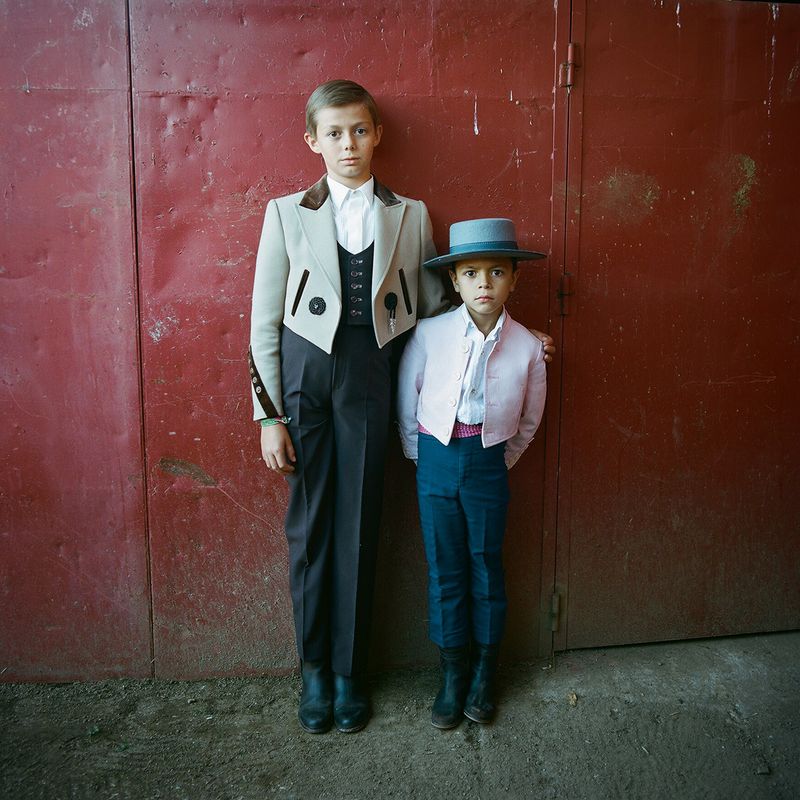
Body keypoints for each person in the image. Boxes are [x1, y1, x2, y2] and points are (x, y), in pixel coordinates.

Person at [249, 80, 554, 735]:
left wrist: (515, 338)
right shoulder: (284, 213)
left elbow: (440, 307)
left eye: (359, 130)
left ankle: (350, 675)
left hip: (372, 375)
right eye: (333, 133)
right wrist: (269, 415)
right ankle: (315, 673)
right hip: (304, 378)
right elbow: (262, 321)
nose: (348, 145)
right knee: (310, 530)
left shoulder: (410, 214)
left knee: (359, 526)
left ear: (376, 135)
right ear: (313, 141)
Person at [397, 218, 548, 729]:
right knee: (445, 567)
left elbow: (529, 420)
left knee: (486, 563)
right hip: (435, 460)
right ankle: (452, 672)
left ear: (513, 280)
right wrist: (422, 456)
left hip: (488, 464)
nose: (484, 283)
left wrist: (497, 461)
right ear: (455, 281)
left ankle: (485, 672)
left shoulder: (528, 347)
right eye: (471, 273)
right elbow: (408, 398)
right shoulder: (430, 334)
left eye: (497, 272)